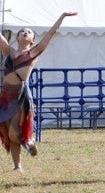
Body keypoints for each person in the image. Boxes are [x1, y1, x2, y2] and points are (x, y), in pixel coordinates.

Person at [0, 12, 76, 171]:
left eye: (29, 32)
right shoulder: (9, 51)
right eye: (22, 31)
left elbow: (51, 33)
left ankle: (28, 142)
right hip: (6, 97)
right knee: (9, 133)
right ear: (17, 38)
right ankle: (18, 165)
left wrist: (62, 16)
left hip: (20, 97)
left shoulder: (33, 52)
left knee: (14, 133)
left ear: (32, 40)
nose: (25, 32)